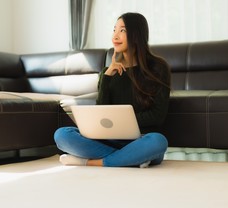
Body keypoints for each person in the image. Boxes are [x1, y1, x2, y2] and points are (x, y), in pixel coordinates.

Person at [54, 12, 171, 168]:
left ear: (136, 34)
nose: (115, 36)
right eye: (114, 30)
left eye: (122, 30)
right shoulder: (107, 73)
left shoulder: (157, 67)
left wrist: (124, 121)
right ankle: (131, 158)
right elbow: (102, 114)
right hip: (108, 140)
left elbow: (157, 116)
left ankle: (92, 162)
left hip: (140, 140)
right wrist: (107, 77)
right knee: (62, 135)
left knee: (158, 142)